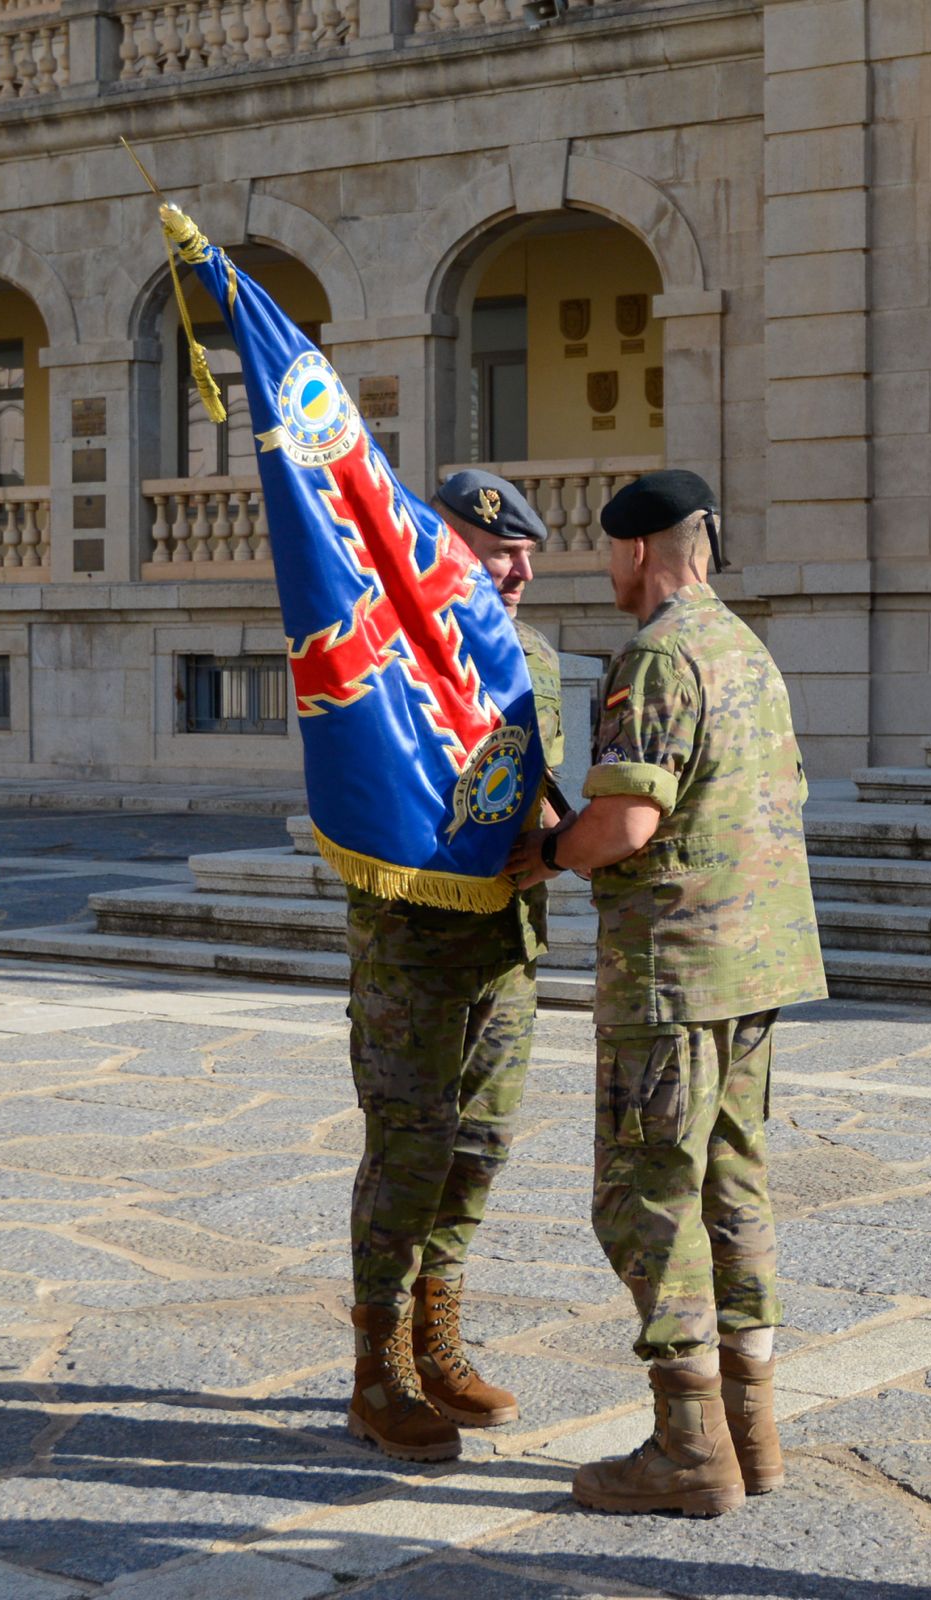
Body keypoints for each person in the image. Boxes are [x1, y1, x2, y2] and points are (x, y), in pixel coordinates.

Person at [509, 469, 827, 1517]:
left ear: (637, 550)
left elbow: (625, 828)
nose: (605, 569)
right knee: (731, 1188)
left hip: (673, 972)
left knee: (644, 1197)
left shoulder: (655, 657)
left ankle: (686, 1449)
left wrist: (551, 846)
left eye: (607, 551)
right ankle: (753, 1433)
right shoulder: (745, 648)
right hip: (756, 962)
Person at [347, 469, 564, 1463]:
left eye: (527, 554)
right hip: (413, 961)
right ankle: (375, 1370)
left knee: (476, 1154)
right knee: (407, 1156)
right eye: (498, 552)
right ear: (444, 552)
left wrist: (567, 835)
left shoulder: (539, 663)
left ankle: (438, 1341)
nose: (519, 571)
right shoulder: (378, 659)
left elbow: (544, 795)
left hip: (504, 955)